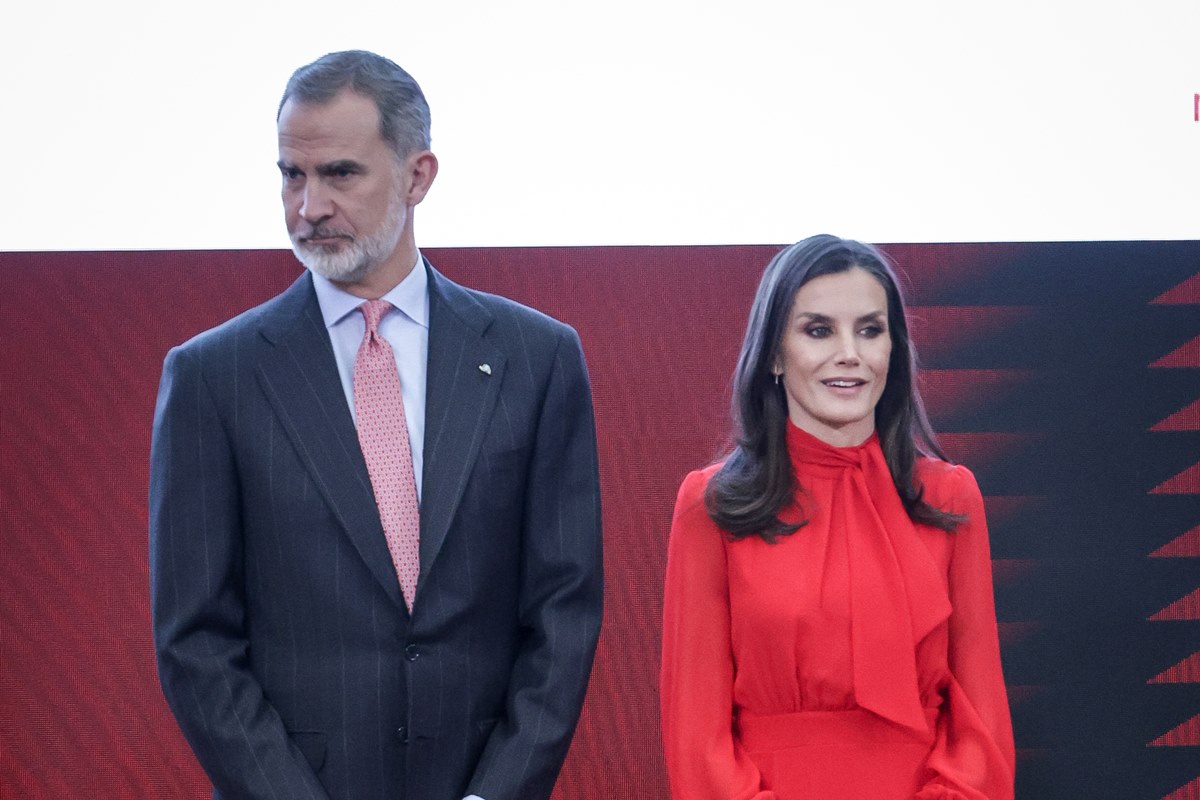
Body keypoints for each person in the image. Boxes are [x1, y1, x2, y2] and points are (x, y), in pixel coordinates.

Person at [149, 50, 603, 800]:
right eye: (292, 175)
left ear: (418, 176)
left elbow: (564, 609)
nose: (309, 206)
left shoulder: (538, 358)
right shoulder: (212, 377)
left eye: (340, 174)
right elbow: (194, 640)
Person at [660, 235, 1014, 799]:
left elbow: (982, 721)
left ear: (893, 349)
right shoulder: (710, 504)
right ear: (774, 353)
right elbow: (695, 735)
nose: (850, 352)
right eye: (818, 329)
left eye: (870, 330)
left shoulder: (950, 497)